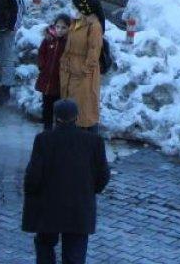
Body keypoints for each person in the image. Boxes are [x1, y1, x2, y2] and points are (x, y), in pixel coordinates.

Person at [21, 98, 111, 264]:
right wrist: (89, 190)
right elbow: (103, 175)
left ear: (56, 118)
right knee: (75, 254)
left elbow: (33, 176)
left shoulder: (43, 140)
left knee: (45, 246)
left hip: (48, 207)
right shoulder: (94, 142)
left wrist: (31, 194)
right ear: (76, 117)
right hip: (79, 208)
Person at [60, 0, 104, 132]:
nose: (74, 9)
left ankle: (87, 140)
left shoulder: (94, 26)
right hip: (70, 72)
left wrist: (83, 70)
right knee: (71, 108)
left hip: (83, 75)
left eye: (76, 7)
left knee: (85, 110)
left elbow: (93, 51)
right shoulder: (76, 23)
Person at [36, 15, 70, 130]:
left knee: (58, 107)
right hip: (46, 79)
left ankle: (58, 131)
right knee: (46, 106)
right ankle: (47, 129)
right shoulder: (49, 39)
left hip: (59, 81)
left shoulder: (68, 42)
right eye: (58, 27)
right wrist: (42, 65)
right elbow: (41, 53)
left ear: (69, 28)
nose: (60, 30)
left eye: (63, 28)